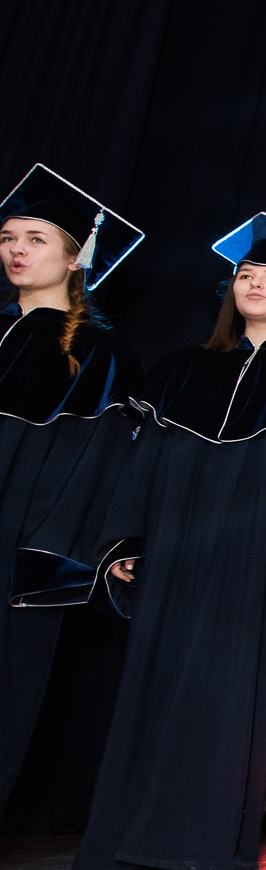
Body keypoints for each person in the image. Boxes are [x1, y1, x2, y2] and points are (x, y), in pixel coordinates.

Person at [62, 215, 266, 870]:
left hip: (261, 554)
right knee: (153, 680)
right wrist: (127, 539)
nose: (254, 285)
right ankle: (128, 839)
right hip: (176, 545)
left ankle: (200, 839)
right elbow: (140, 465)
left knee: (229, 690)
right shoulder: (181, 370)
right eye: (245, 275)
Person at [2, 165, 144, 814]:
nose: (17, 250)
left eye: (35, 238)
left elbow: (97, 462)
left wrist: (57, 546)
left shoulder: (98, 353)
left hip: (24, 541)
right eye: (8, 237)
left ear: (74, 256)